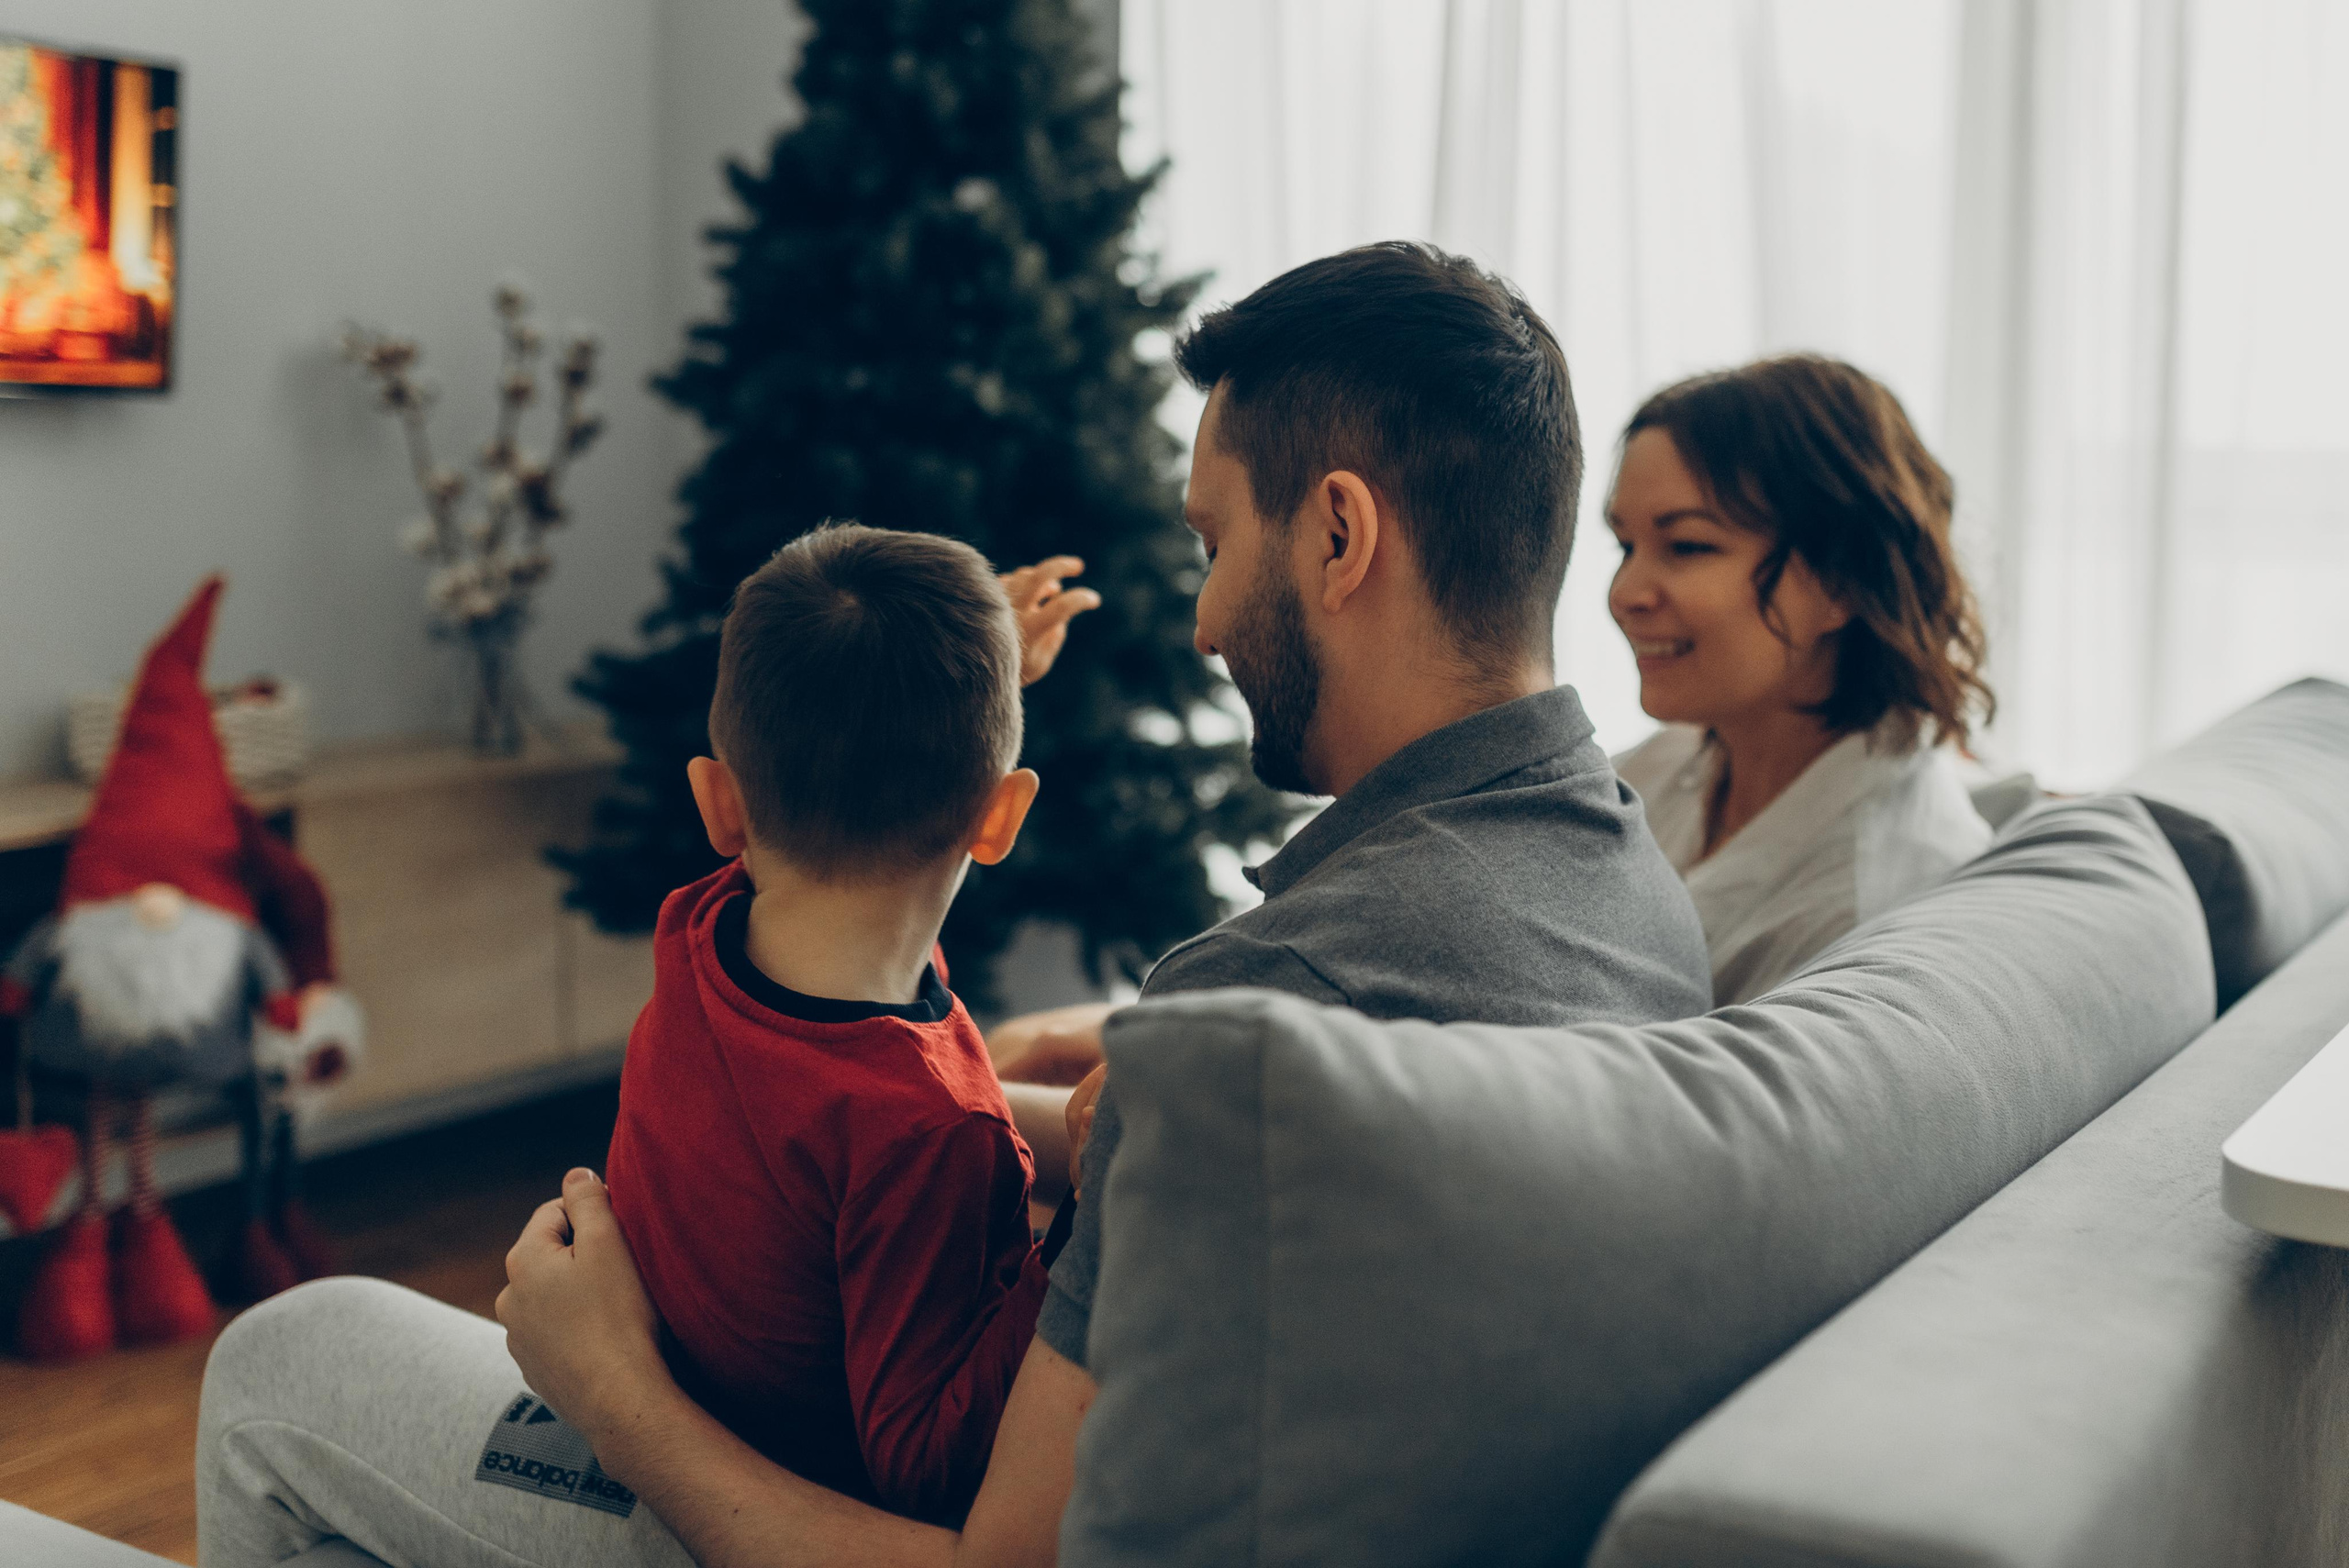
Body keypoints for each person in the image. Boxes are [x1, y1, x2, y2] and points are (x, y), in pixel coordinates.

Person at [196, 240, 1711, 1568]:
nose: (1201, 620)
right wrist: (1056, 1109)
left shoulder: (1274, 1010)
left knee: (286, 1355)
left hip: (786, 1486)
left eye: (1211, 543)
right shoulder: (1622, 882)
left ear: (1336, 534)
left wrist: (611, 1389)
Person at [603, 525, 1055, 1527]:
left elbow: (847, 744)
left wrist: (982, 670)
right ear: (1000, 818)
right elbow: (921, 1468)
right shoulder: (931, 1130)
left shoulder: (700, 926)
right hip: (767, 1510)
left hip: (691, 1400)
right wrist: (1075, 1244)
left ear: (719, 804)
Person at [1606, 354, 1996, 1006]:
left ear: (1842, 579)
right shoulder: (1665, 765)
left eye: (1688, 546)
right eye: (1625, 546)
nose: (1625, 594)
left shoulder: (1867, 907)